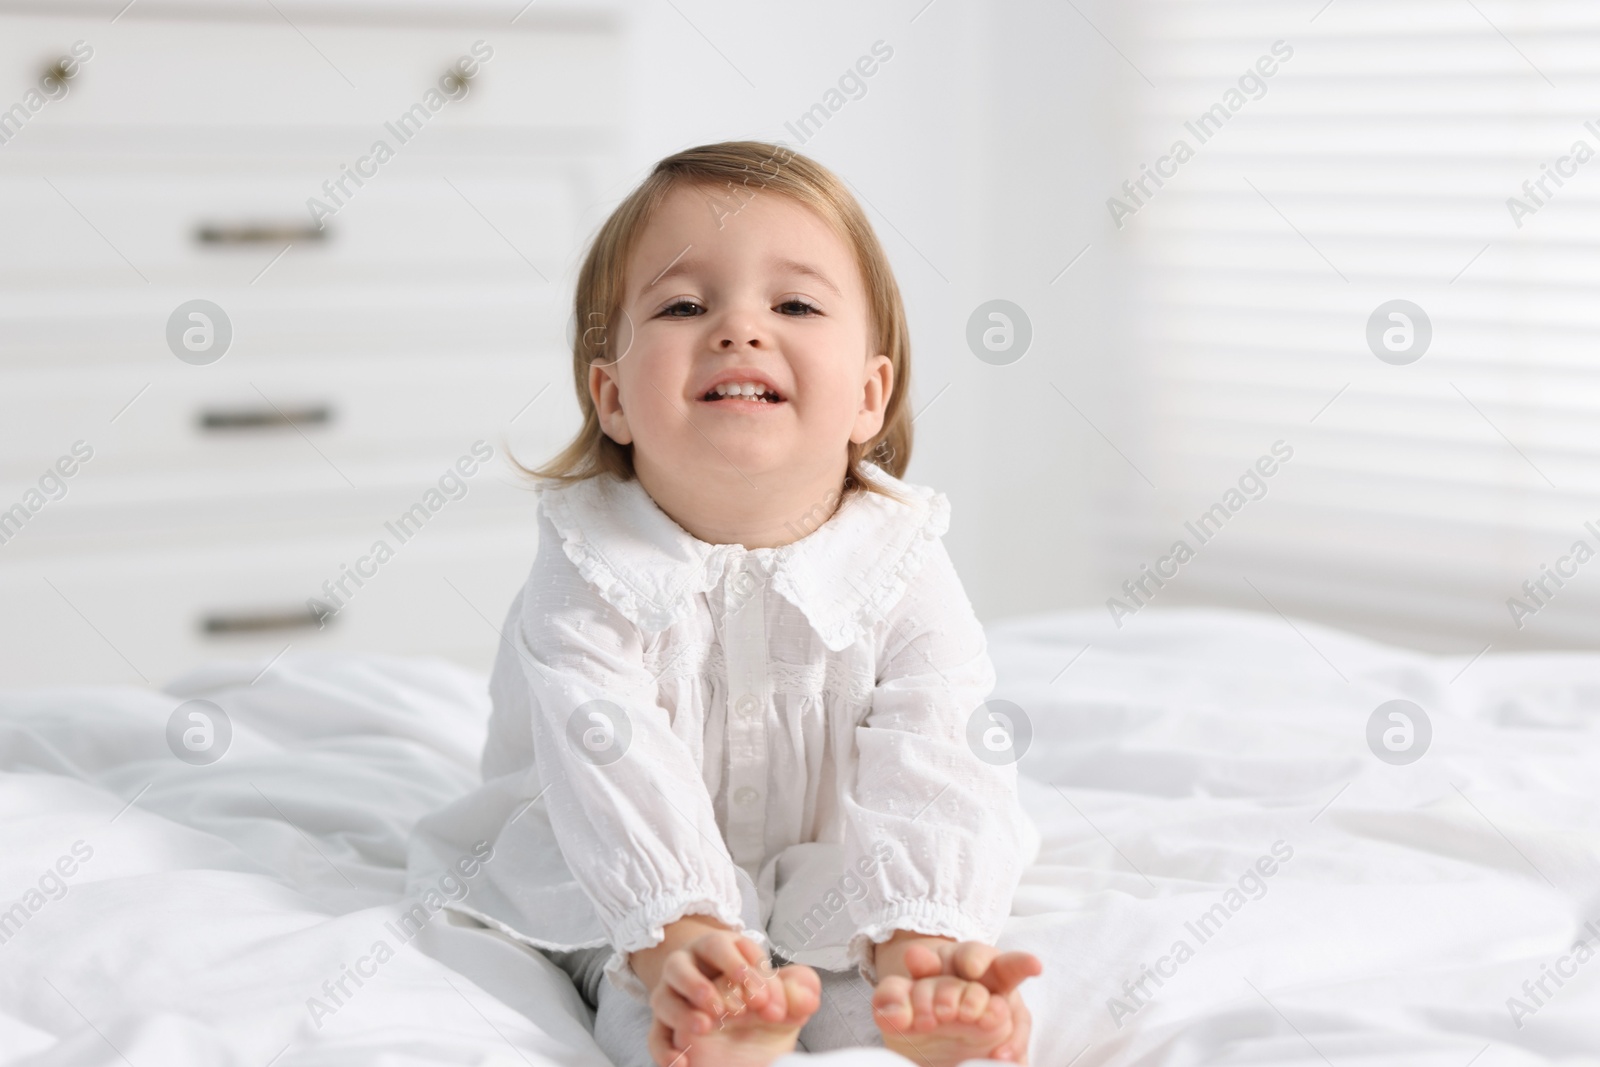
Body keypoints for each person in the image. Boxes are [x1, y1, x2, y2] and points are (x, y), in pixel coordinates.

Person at [412, 140, 1042, 1067]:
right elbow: (609, 757)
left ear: (870, 395)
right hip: (615, 864)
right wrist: (683, 938)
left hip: (825, 857)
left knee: (867, 984)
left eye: (793, 304)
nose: (739, 329)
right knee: (644, 991)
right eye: (682, 305)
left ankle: (924, 1022)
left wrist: (922, 942)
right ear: (613, 396)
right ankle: (714, 1032)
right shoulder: (589, 565)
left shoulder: (901, 558)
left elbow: (935, 746)